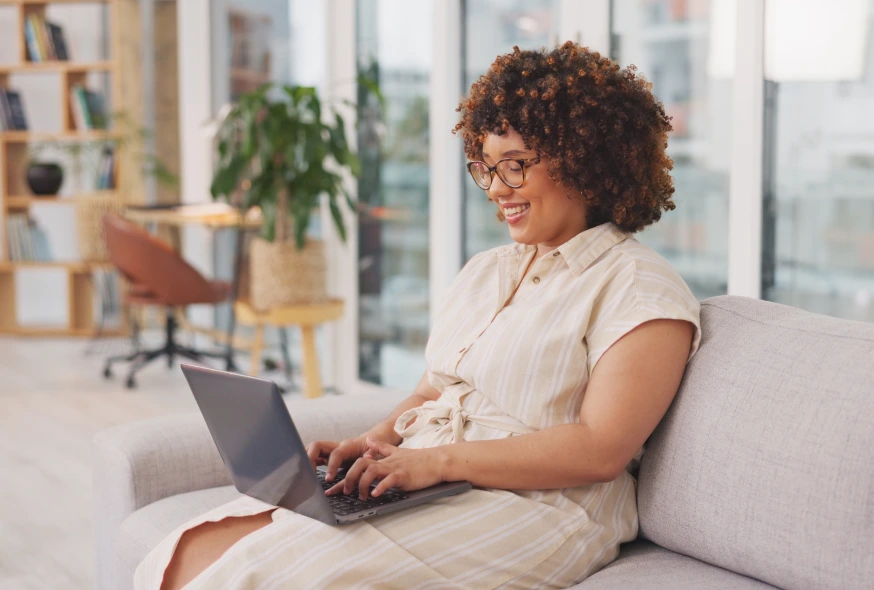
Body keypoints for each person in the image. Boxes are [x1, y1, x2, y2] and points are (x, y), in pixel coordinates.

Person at [137, 41, 701, 590]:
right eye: (486, 167)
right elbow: (432, 392)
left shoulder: (638, 287)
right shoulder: (488, 270)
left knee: (263, 575)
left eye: (516, 165)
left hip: (544, 503)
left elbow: (601, 450)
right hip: (434, 472)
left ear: (586, 160)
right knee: (187, 553)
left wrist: (438, 465)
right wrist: (374, 441)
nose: (496, 189)